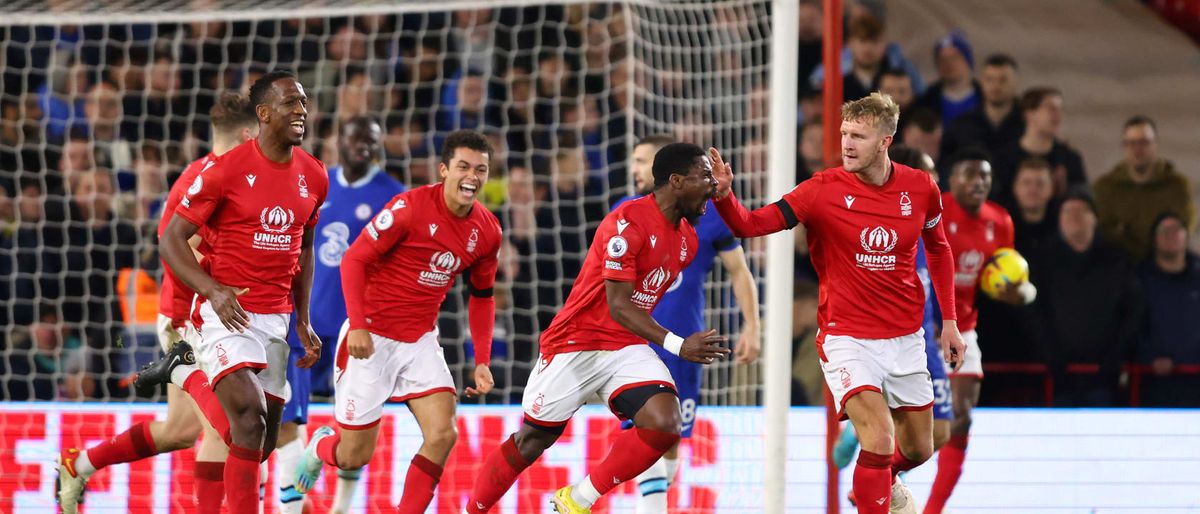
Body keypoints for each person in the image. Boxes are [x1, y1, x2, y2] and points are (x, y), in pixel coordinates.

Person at [710, 93, 964, 514]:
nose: (847, 143)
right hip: (847, 338)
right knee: (879, 439)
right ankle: (873, 498)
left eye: (859, 136)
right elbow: (750, 224)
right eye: (845, 133)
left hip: (905, 338)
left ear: (885, 141)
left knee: (920, 447)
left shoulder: (920, 188)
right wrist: (724, 197)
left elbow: (939, 251)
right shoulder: (822, 189)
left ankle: (879, 484)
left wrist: (950, 322)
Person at [463, 143, 729, 514]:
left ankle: (577, 499)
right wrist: (678, 344)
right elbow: (619, 305)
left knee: (665, 422)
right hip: (576, 342)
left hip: (624, 348)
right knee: (531, 441)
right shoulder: (627, 223)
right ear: (677, 181)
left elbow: (634, 309)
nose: (712, 187)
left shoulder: (688, 241)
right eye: (705, 178)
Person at [55, 92, 255, 514]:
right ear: (245, 133)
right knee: (225, 433)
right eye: (258, 135)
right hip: (192, 321)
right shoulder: (213, 180)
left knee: (180, 431)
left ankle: (81, 464)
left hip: (194, 315)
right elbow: (182, 248)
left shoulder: (204, 173)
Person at [138, 69, 328, 514]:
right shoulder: (226, 170)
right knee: (248, 418)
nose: (301, 111)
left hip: (276, 320)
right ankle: (185, 366)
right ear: (263, 114)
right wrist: (212, 290)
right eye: (290, 103)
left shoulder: (314, 175)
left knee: (260, 444)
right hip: (226, 314)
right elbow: (170, 240)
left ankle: (182, 370)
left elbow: (305, 249)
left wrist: (303, 318)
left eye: (304, 102)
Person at [292, 130, 499, 513]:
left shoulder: (487, 231)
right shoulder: (409, 207)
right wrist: (357, 325)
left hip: (419, 340)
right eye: (464, 167)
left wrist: (482, 359)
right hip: (370, 337)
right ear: (444, 170)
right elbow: (354, 259)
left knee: (443, 434)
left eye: (481, 169)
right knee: (353, 456)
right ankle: (321, 444)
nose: (472, 176)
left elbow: (482, 297)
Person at [615, 136, 762, 513]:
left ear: (671, 175)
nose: (636, 169)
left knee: (673, 437)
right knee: (647, 432)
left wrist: (752, 325)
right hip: (635, 344)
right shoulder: (623, 213)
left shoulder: (707, 215)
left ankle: (655, 503)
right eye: (633, 161)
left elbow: (739, 271)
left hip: (685, 345)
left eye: (642, 161)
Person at [274, 115, 405, 514]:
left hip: (359, 329)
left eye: (372, 139)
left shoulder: (394, 195)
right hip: (304, 323)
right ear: (338, 142)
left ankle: (343, 507)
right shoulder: (315, 183)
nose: (363, 145)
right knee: (286, 415)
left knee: (354, 424)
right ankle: (291, 508)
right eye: (355, 137)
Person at [832, 145, 956, 488]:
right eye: (928, 173)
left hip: (924, 342)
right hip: (882, 338)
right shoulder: (888, 227)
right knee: (885, 431)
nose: (935, 181)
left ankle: (882, 480)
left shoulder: (932, 225)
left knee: (939, 435)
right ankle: (872, 476)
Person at [923, 148, 1034, 514]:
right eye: (970, 175)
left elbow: (1015, 279)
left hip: (962, 327)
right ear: (952, 181)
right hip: (917, 323)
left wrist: (1020, 293)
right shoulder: (935, 209)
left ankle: (933, 509)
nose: (979, 182)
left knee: (962, 416)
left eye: (984, 176)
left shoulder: (999, 221)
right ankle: (884, 477)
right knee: (910, 416)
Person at [1030, 188, 1138, 406]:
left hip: (1105, 374)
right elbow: (1034, 314)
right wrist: (1049, 354)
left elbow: (1133, 310)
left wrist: (1116, 355)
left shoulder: (1116, 260)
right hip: (1058, 374)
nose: (1074, 218)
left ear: (1095, 219)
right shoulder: (1043, 262)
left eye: (1081, 211)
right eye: (1067, 212)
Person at [1093, 115, 1196, 263]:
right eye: (1131, 143)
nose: (1137, 149)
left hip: (1164, 266)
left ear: (1155, 144)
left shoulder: (1177, 186)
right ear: (1124, 146)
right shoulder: (1105, 188)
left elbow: (1184, 227)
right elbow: (1101, 232)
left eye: (1144, 143)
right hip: (1120, 267)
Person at [1136, 213, 1200, 406]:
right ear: (1154, 239)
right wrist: (1149, 357)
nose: (1170, 236)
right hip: (1154, 382)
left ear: (1186, 236)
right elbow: (1129, 326)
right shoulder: (1139, 280)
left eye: (1176, 230)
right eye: (1164, 231)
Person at [991, 87, 1086, 207]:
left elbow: (1082, 202)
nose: (1058, 115)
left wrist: (1064, 191)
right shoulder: (1003, 158)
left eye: (1060, 109)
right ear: (1029, 114)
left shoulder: (1070, 159)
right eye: (1051, 109)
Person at [941, 54, 1023, 168]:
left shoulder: (1029, 125)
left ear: (1016, 83)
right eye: (989, 79)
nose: (996, 86)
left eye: (1003, 80)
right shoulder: (963, 125)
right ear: (982, 82)